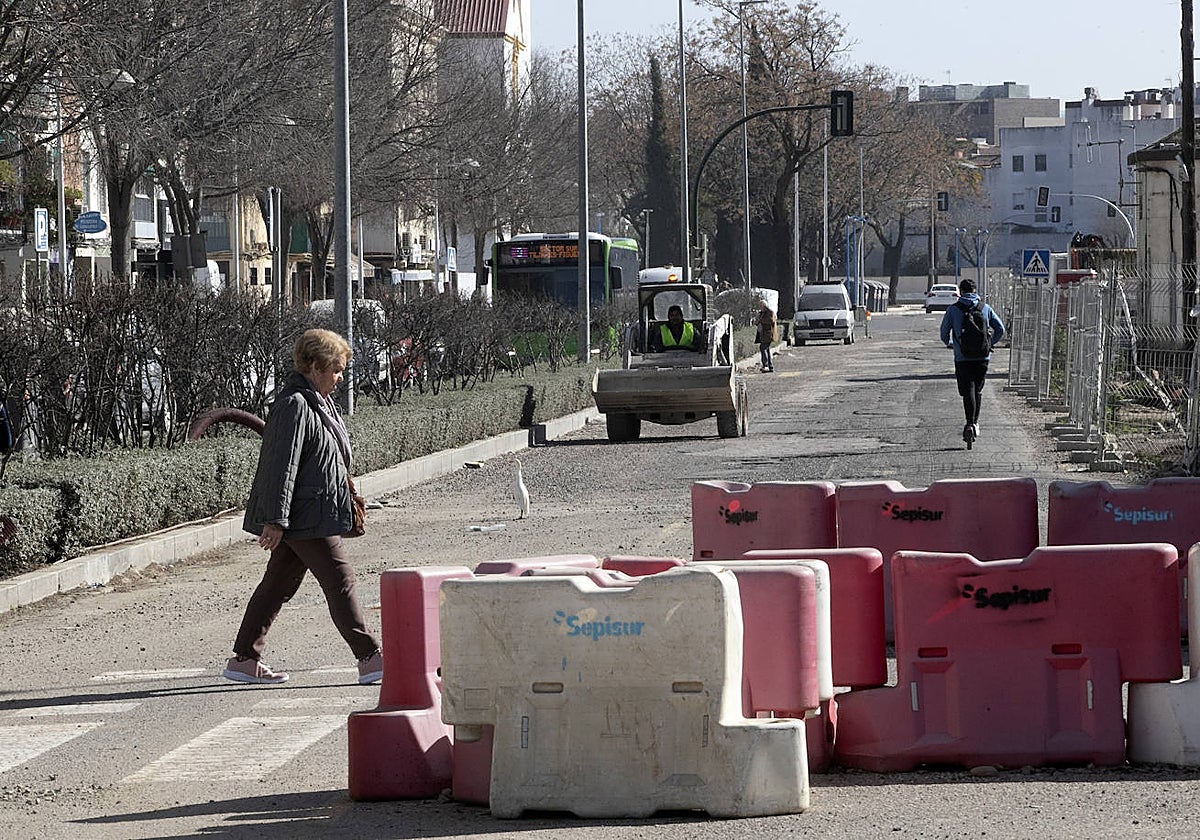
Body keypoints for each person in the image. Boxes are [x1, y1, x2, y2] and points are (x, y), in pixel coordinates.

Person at [223, 328, 383, 686]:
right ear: (314, 366)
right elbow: (282, 464)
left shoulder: (317, 403)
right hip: (303, 516)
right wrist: (275, 520)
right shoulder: (294, 404)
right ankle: (370, 657)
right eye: (336, 369)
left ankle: (244, 659)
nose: (340, 378)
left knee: (277, 585)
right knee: (340, 580)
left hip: (312, 511)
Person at [939, 278, 1005, 447]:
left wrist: (951, 344)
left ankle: (969, 423)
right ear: (975, 291)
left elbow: (944, 333)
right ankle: (974, 424)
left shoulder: (953, 310)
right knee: (978, 389)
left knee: (967, 389)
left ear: (961, 292)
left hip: (962, 358)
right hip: (983, 357)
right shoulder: (985, 308)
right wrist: (990, 344)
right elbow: (1000, 329)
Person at [755, 300, 777, 372]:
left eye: (761, 305)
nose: (760, 307)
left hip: (768, 334)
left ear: (764, 305)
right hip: (763, 334)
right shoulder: (761, 313)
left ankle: (766, 365)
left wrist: (761, 321)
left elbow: (771, 321)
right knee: (766, 349)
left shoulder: (769, 312)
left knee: (763, 348)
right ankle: (770, 366)